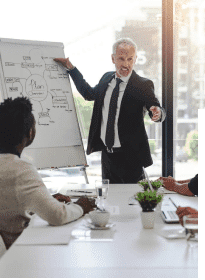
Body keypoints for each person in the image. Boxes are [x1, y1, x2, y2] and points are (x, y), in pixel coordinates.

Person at [54, 38, 165, 184]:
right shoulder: (107, 78)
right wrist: (71, 69)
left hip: (131, 158)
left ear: (135, 59)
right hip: (107, 156)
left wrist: (157, 112)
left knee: (131, 203)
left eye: (130, 59)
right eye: (121, 58)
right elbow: (89, 94)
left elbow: (155, 106)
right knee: (109, 201)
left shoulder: (143, 85)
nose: (126, 64)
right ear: (113, 59)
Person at [0, 97, 95, 249]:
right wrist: (81, 206)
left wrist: (45, 200)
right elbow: (58, 216)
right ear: (30, 132)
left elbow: (6, 206)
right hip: (18, 251)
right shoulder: (21, 170)